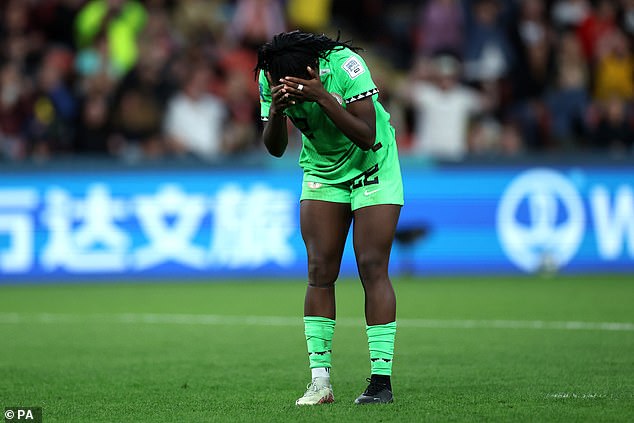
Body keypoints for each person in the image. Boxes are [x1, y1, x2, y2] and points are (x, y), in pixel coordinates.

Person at [255, 30, 403, 405]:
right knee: (320, 270)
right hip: (322, 171)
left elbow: (367, 136)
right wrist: (276, 111)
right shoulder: (270, 75)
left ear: (312, 67)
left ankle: (380, 383)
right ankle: (320, 382)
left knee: (371, 265)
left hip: (373, 165)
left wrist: (320, 96)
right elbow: (274, 149)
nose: (279, 84)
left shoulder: (345, 66)